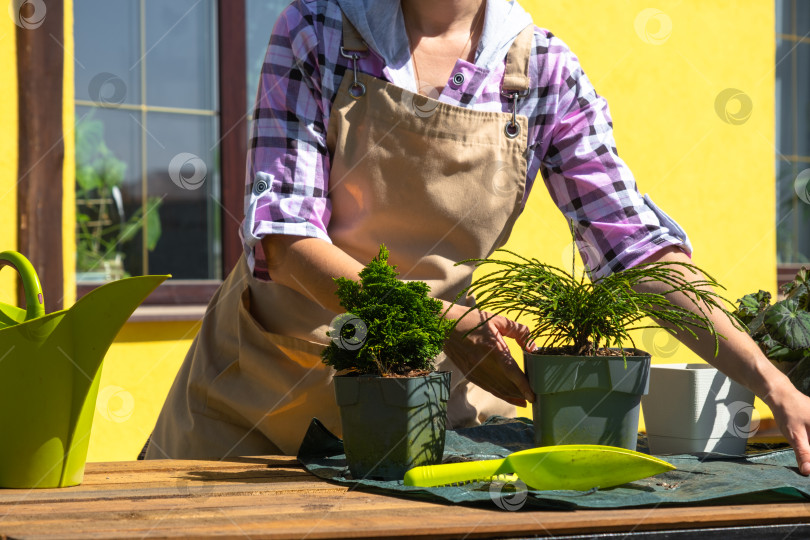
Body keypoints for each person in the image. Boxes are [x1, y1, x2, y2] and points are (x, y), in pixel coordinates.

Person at [145, 0, 810, 475]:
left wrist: (776, 385)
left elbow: (637, 252)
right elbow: (287, 242)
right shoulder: (319, 27)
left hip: (418, 416)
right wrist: (437, 321)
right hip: (258, 409)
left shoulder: (543, 72)